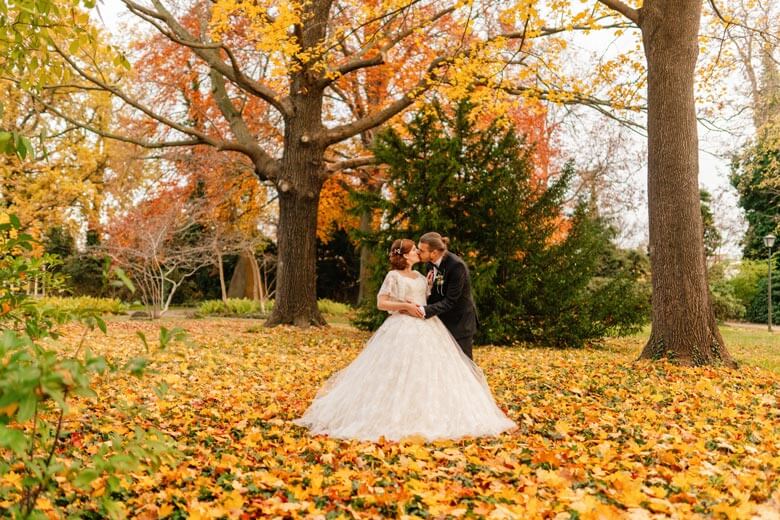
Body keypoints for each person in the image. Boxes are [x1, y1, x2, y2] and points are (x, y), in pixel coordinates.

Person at [293, 239, 516, 442]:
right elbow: (382, 303)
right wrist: (405, 306)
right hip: (401, 327)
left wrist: (423, 298)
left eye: (420, 250)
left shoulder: (422, 275)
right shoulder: (393, 276)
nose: (418, 252)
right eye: (414, 250)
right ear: (405, 256)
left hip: (428, 328)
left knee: (432, 372)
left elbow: (432, 298)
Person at [416, 232, 478, 360]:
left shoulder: (456, 266)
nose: (418, 252)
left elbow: (450, 301)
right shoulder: (429, 265)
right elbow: (435, 294)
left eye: (421, 250)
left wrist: (424, 310)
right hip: (441, 321)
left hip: (460, 322)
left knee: (464, 364)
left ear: (434, 253)